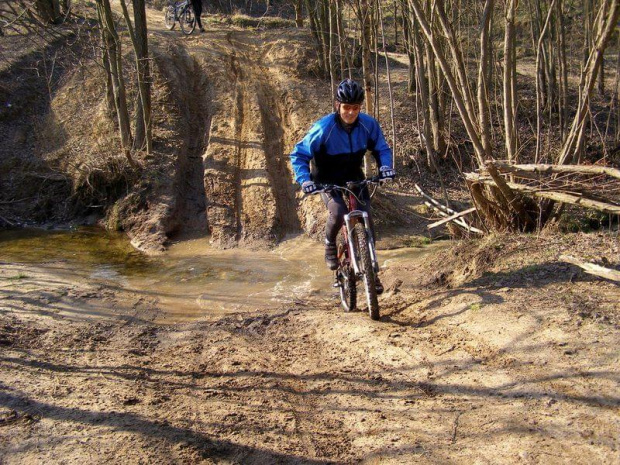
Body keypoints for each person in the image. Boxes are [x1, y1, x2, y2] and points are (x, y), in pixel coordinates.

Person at [289, 78, 395, 292]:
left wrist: (385, 167)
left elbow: (382, 149)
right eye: (346, 107)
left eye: (355, 108)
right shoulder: (323, 128)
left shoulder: (368, 125)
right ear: (338, 105)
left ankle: (371, 271)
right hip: (326, 178)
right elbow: (299, 155)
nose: (351, 113)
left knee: (365, 216)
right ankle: (329, 244)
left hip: (353, 175)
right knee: (338, 212)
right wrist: (305, 180)